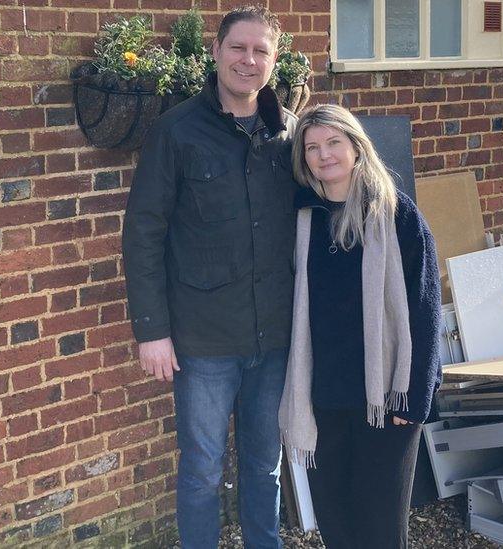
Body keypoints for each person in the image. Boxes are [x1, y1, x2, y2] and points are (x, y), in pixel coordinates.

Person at [122, 6, 297, 548]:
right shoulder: (177, 130)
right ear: (216, 52)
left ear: (273, 60)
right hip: (204, 342)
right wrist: (152, 330)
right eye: (238, 48)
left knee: (264, 465)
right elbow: (143, 231)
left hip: (274, 336)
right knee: (201, 470)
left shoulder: (288, 134)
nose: (249, 60)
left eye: (260, 51)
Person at [278, 104, 442, 549]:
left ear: (356, 147)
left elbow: (426, 306)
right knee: (337, 525)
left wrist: (414, 396)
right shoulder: (301, 218)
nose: (323, 155)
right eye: (312, 147)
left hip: (386, 399)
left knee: (381, 531)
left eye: (333, 142)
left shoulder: (396, 215)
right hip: (324, 398)